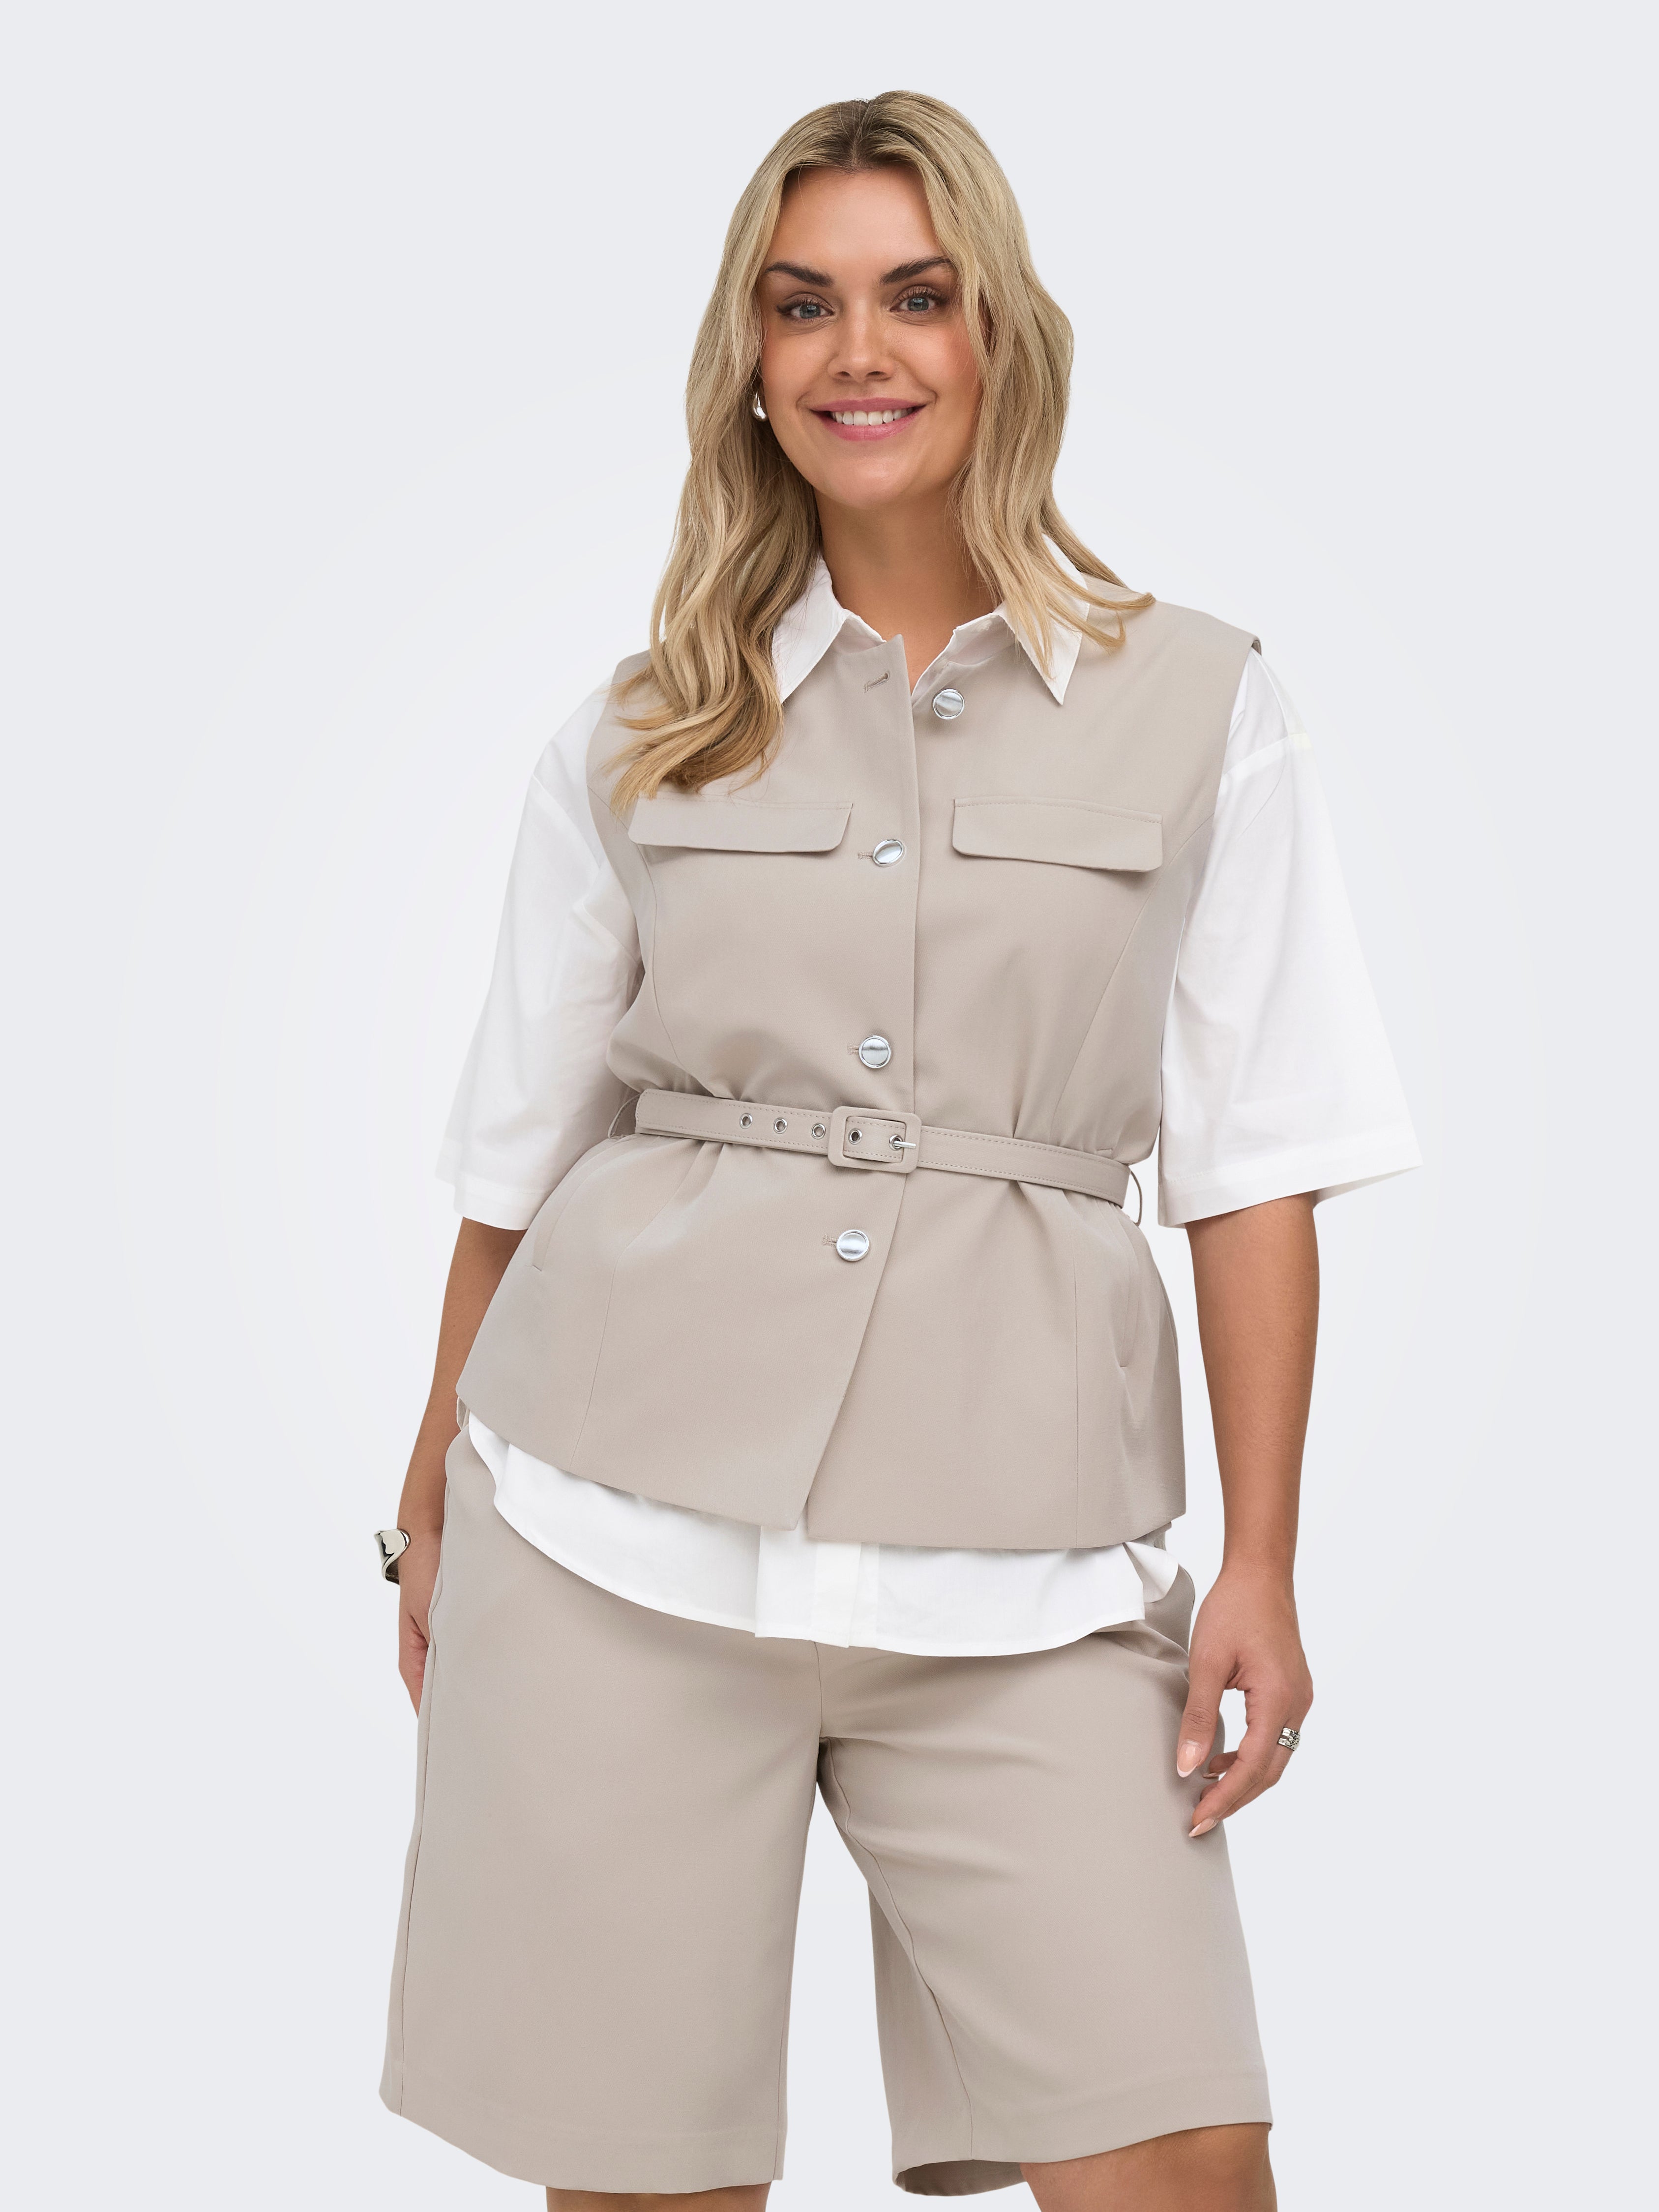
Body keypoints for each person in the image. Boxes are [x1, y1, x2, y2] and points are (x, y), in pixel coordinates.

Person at [376, 91, 1419, 2212]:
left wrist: (1263, 1562)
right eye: (804, 305)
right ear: (751, 366)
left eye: (915, 296)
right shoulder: (639, 729)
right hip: (610, 1551)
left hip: (1028, 1571)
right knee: (645, 2185)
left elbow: (1255, 1166)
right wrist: (429, 1491)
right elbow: (525, 1148)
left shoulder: (1206, 706)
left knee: (1184, 2160)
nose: (861, 350)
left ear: (997, 332)